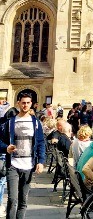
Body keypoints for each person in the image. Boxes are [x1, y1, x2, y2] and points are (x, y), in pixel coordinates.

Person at [0, 91, 45, 219]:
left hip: (29, 165)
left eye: (28, 103)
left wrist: (41, 162)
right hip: (13, 165)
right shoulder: (10, 122)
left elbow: (41, 143)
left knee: (23, 201)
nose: (25, 105)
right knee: (13, 199)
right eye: (23, 103)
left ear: (31, 104)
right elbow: (0, 141)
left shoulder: (35, 123)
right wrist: (6, 147)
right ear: (18, 103)